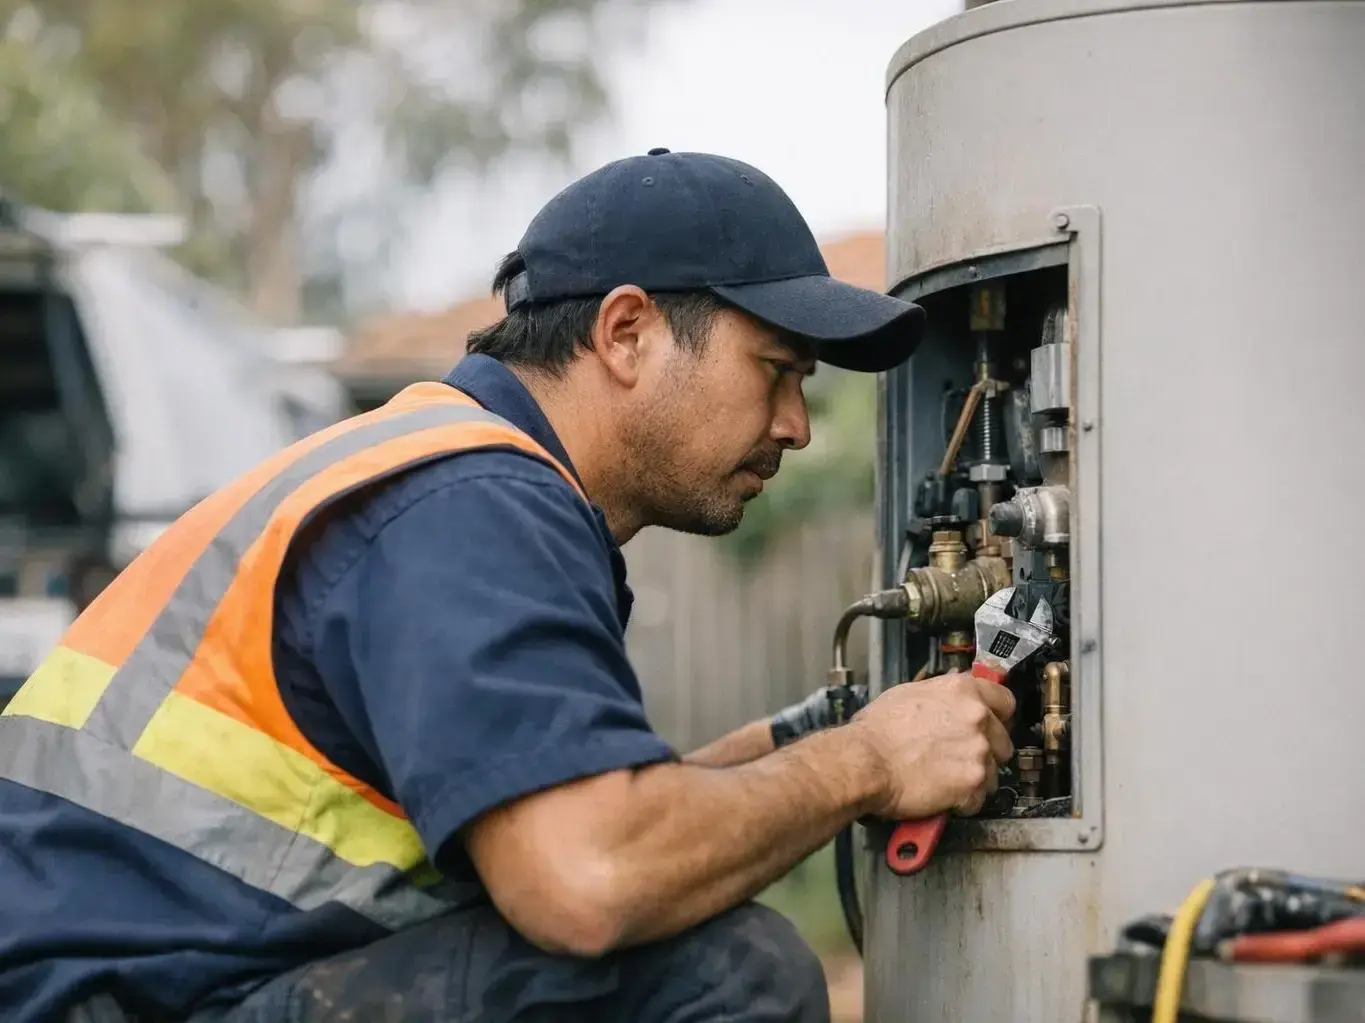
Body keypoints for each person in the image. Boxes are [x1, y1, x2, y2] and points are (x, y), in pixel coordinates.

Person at [0, 149, 1016, 1023]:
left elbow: (579, 823)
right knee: (726, 976)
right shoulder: (471, 501)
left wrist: (813, 737)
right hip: (118, 1003)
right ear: (625, 335)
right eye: (778, 370)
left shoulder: (441, 472)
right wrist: (870, 763)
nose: (796, 423)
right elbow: (588, 876)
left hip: (138, 985)